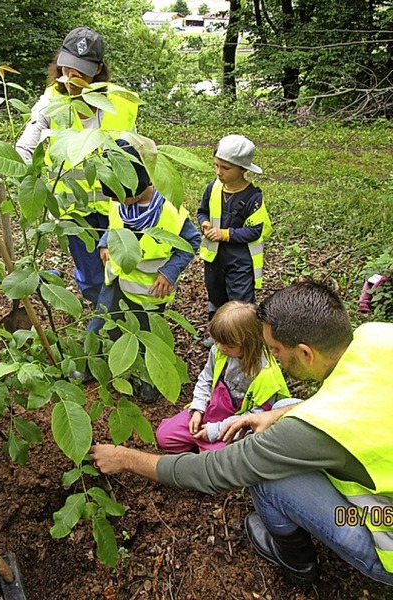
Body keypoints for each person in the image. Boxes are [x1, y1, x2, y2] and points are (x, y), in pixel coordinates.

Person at [91, 282, 393, 587]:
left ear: (305, 353)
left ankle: (296, 563)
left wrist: (126, 458)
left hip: (387, 534)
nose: (272, 356)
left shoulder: (317, 423)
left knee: (267, 479)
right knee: (288, 405)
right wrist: (276, 413)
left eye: (276, 350)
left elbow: (216, 470)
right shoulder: (376, 335)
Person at [15, 26, 140, 306]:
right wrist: (34, 189)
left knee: (121, 265)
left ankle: (121, 314)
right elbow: (24, 147)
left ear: (98, 70)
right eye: (67, 68)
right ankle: (102, 315)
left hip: (116, 205)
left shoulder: (121, 102)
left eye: (81, 71)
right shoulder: (51, 101)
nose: (72, 78)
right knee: (91, 279)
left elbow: (135, 154)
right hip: (74, 210)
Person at [85, 141, 200, 401]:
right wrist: (105, 242)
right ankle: (91, 364)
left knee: (148, 336)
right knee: (102, 322)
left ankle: (151, 378)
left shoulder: (169, 212)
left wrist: (169, 272)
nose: (113, 200)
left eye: (117, 194)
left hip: (148, 290)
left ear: (136, 187)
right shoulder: (121, 203)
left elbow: (191, 242)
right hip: (115, 280)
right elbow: (113, 225)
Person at [155, 301, 290, 453]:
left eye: (229, 345)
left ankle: (205, 448)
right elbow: (205, 379)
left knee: (215, 462)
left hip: (236, 423)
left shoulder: (266, 374)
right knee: (164, 436)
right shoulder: (220, 350)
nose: (221, 347)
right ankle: (201, 444)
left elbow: (257, 416)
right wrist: (198, 409)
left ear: (250, 343)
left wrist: (215, 430)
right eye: (218, 341)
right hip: (211, 409)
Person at [197, 134, 273, 344]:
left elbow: (256, 230)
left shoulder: (253, 198)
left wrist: (225, 234)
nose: (219, 172)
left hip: (240, 260)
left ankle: (244, 338)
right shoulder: (213, 188)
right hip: (215, 258)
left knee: (240, 301)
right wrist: (204, 224)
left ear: (243, 169)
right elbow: (202, 211)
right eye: (216, 166)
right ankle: (218, 334)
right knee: (216, 296)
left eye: (226, 168)